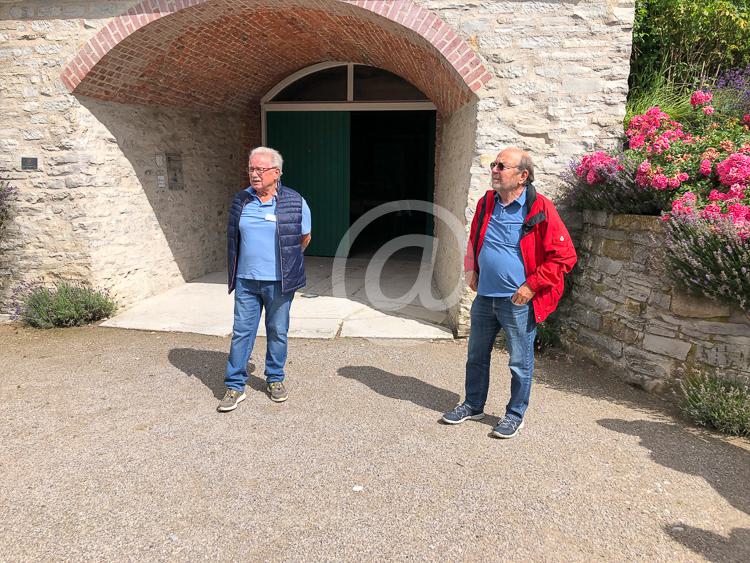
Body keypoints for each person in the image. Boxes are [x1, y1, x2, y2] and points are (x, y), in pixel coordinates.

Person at [442, 147, 577, 438]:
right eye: (494, 164)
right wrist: (471, 268)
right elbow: (475, 237)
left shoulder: (540, 207)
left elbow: (564, 256)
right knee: (476, 355)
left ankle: (515, 414)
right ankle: (473, 404)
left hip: (517, 301)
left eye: (502, 166)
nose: (494, 169)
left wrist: (531, 286)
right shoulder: (486, 202)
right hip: (485, 296)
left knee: (519, 361)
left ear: (522, 176)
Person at [218, 147, 311, 412]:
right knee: (241, 333)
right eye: (251, 169)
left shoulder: (294, 201)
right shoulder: (241, 200)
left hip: (280, 282)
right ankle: (235, 385)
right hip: (246, 280)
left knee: (277, 332)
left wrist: (284, 263)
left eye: (260, 169)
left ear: (276, 173)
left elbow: (304, 238)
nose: (254, 174)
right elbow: (233, 238)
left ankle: (275, 379)